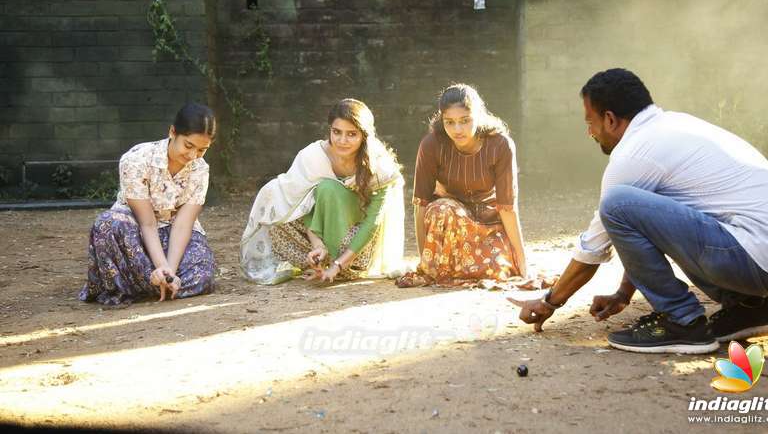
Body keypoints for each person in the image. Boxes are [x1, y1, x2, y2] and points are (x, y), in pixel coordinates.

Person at [509, 68, 768, 353]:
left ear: (610, 119)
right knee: (639, 207)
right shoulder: (675, 126)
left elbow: (593, 248)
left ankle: (682, 322)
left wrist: (550, 301)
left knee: (616, 204)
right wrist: (624, 293)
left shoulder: (633, 153)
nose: (590, 132)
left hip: (757, 259)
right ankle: (753, 309)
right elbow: (652, 230)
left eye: (590, 122)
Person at [240, 98, 407, 285]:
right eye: (337, 132)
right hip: (317, 236)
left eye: (351, 134)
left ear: (364, 136)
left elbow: (372, 222)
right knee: (275, 199)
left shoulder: (379, 166)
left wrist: (338, 264)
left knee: (329, 189)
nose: (342, 141)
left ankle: (337, 268)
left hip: (355, 247)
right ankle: (317, 261)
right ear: (329, 130)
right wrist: (317, 245)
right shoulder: (313, 156)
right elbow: (302, 205)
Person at [79, 102, 217, 306]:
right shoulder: (136, 159)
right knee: (107, 225)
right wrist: (160, 265)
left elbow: (183, 224)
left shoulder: (201, 170)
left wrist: (168, 271)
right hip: (134, 233)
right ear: (172, 132)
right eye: (188, 145)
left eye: (202, 150)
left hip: (172, 233)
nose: (192, 156)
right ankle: (152, 282)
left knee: (203, 272)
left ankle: (152, 284)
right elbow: (148, 223)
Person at [396, 84, 527, 287]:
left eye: (465, 121)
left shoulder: (500, 145)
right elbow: (420, 203)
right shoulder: (432, 145)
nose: (457, 130)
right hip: (450, 225)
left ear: (479, 116)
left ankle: (466, 266)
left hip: (488, 226)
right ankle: (444, 267)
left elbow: (508, 206)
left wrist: (522, 260)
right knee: (440, 208)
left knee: (495, 270)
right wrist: (425, 260)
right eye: (450, 122)